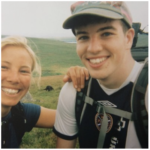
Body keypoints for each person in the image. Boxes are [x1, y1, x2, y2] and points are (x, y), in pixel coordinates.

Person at [53, 1, 148, 148]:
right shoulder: (74, 91)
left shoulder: (146, 90)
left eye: (106, 33)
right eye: (83, 37)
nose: (93, 48)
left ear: (128, 38)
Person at [1, 35, 85, 148]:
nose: (14, 79)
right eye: (3, 67)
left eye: (24, 71)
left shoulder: (20, 113)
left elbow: (67, 118)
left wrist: (84, 78)